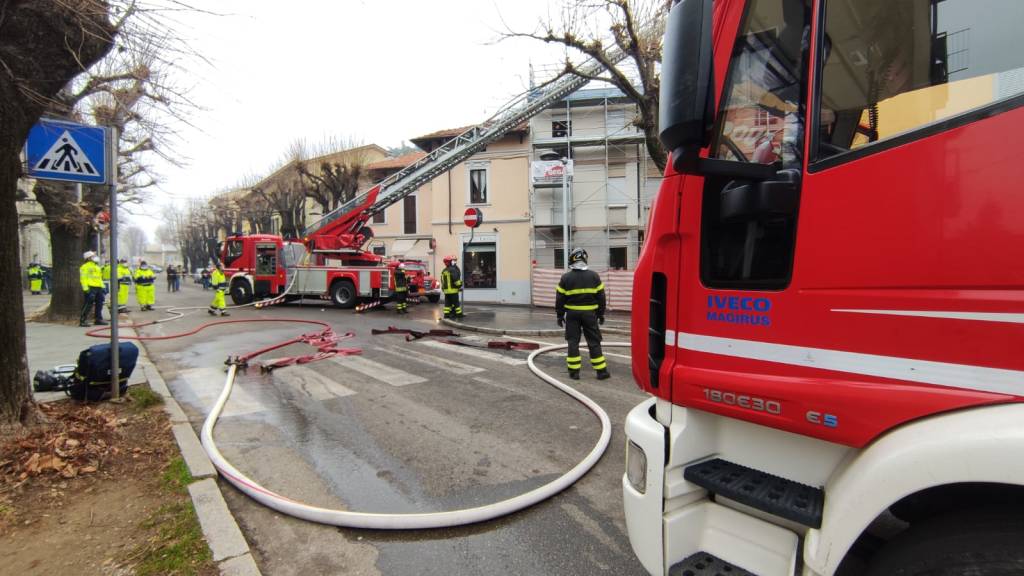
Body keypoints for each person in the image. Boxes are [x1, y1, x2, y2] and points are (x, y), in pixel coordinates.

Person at [555, 247, 609, 381]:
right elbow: (601, 297)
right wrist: (601, 314)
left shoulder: (566, 278)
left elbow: (559, 298)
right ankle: (601, 372)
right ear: (585, 259)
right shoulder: (594, 276)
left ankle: (574, 372)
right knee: (594, 342)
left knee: (573, 342)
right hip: (590, 315)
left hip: (572, 314)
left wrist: (560, 315)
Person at [79, 251, 107, 327]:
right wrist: (85, 288)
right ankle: (82, 320)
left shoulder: (97, 267)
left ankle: (98, 319)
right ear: (88, 258)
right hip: (90, 288)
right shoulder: (84, 267)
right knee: (88, 304)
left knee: (100, 303)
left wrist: (103, 287)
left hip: (98, 288)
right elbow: (83, 278)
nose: (95, 257)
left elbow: (99, 279)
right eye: (93, 256)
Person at [440, 255, 463, 319]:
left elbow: (442, 281)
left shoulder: (444, 270)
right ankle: (459, 315)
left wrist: (444, 289)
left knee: (447, 304)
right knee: (456, 303)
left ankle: (446, 315)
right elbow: (456, 280)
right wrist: (460, 284)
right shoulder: (453, 269)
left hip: (446, 291)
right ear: (450, 262)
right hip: (453, 290)